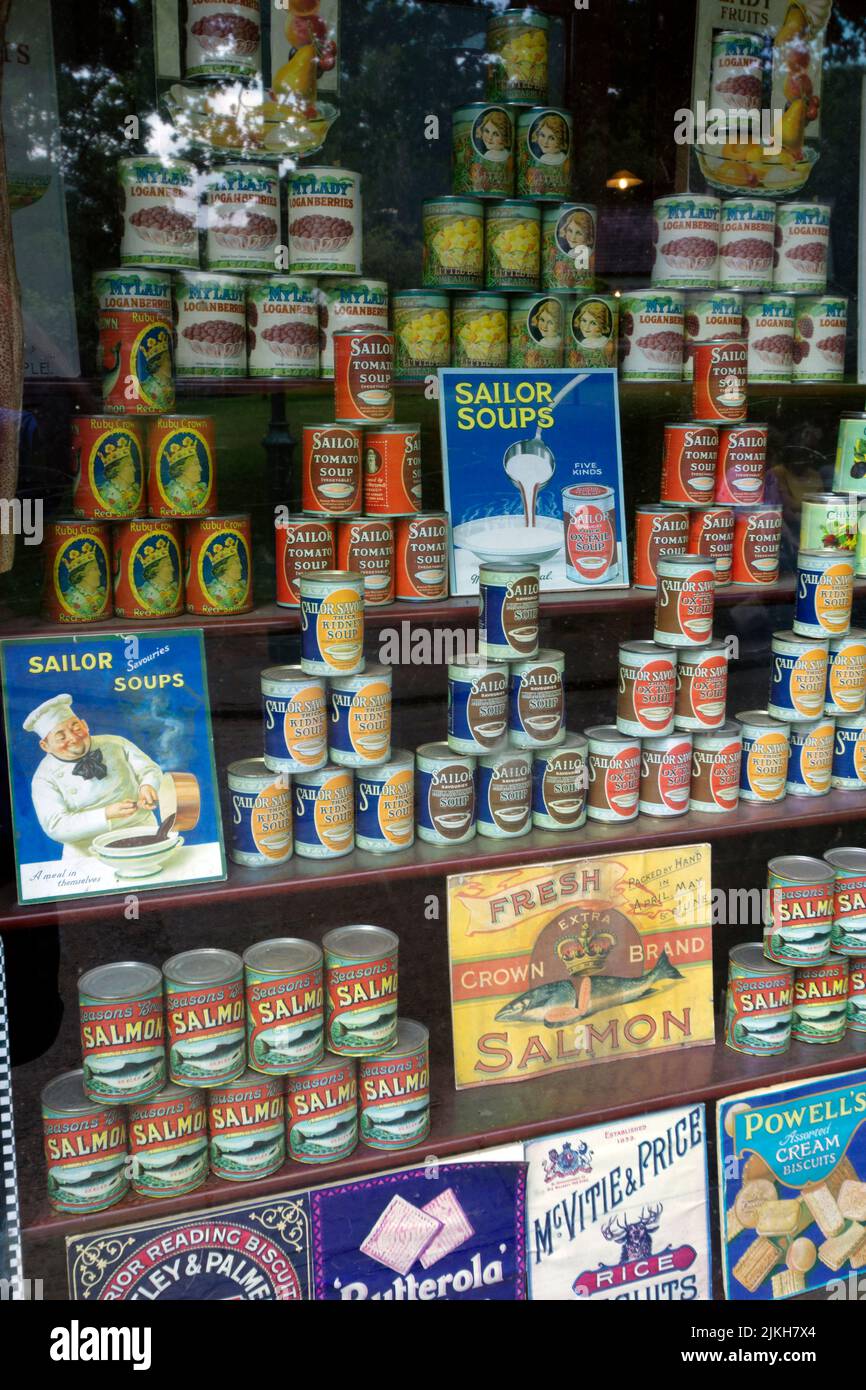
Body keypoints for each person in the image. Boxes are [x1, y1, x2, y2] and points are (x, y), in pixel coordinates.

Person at [24, 694, 163, 859]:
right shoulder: (43, 777)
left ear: (85, 725)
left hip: (141, 829)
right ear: (45, 746)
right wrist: (105, 814)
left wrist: (147, 786)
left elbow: (149, 769)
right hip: (86, 850)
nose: (73, 738)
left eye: (76, 728)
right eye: (61, 737)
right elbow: (56, 826)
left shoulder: (116, 743)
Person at [61, 540, 107, 618]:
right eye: (95, 569)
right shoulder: (69, 598)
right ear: (82, 574)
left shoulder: (102, 596)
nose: (100, 573)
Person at [163, 437, 209, 514]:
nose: (200, 469)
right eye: (196, 464)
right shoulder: (169, 492)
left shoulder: (203, 490)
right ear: (181, 469)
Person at [96, 437, 141, 513]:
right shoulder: (104, 493)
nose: (134, 469)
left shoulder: (136, 491)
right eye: (130, 465)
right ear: (116, 470)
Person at [136, 536, 180, 613]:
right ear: (155, 569)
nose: (172, 569)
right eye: (168, 565)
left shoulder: (175, 589)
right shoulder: (143, 593)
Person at [204, 533, 248, 608]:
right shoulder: (213, 590)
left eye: (239, 563)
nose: (241, 567)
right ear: (224, 567)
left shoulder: (242, 587)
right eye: (236, 563)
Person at [571, 300, 616, 367]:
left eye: (593, 323)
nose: (586, 327)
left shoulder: (607, 344)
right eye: (584, 320)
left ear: (601, 325)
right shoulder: (584, 341)